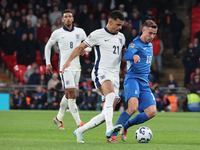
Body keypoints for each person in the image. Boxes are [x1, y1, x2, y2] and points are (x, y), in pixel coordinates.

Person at [62, 10, 126, 143]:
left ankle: (80, 131)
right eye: (118, 25)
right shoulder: (97, 34)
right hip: (101, 72)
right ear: (110, 22)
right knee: (110, 96)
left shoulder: (121, 37)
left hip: (115, 76)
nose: (120, 28)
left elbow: (124, 53)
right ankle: (109, 129)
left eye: (121, 25)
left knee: (105, 113)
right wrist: (68, 62)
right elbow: (81, 47)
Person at [109, 20, 158, 143]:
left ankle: (125, 127)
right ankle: (113, 134)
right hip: (133, 79)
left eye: (154, 34)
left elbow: (146, 61)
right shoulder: (135, 44)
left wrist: (147, 69)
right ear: (143, 30)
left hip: (144, 82)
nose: (152, 36)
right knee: (133, 107)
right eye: (150, 33)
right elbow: (126, 56)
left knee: (152, 112)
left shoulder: (150, 45)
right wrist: (133, 56)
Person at [45, 9, 89, 130]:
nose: (68, 18)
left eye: (70, 16)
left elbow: (90, 45)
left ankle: (58, 119)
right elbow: (48, 47)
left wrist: (86, 50)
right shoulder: (57, 33)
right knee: (72, 92)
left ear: (73, 19)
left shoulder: (80, 32)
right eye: (66, 17)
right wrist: (48, 63)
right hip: (65, 68)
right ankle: (79, 122)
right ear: (62, 20)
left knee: (69, 94)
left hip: (77, 67)